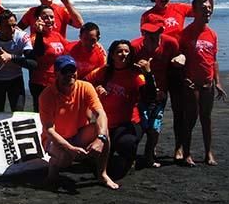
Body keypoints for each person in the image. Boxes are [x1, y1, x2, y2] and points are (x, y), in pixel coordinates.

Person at [140, 0, 217, 160]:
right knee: (154, 106)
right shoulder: (147, 16)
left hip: (178, 65)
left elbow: (204, 10)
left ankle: (179, 148)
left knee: (179, 109)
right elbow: (147, 41)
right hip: (158, 66)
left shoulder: (179, 8)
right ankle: (152, 145)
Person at [39, 55, 116, 190]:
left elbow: (100, 113)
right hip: (55, 138)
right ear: (56, 74)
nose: (70, 74)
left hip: (78, 134)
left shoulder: (86, 87)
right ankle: (52, 173)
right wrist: (70, 148)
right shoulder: (47, 95)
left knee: (104, 133)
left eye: (72, 70)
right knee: (64, 158)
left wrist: (100, 139)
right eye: (65, 71)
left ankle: (102, 174)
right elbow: (49, 130)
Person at [86, 40, 156, 178]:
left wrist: (148, 73)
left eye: (126, 51)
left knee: (125, 144)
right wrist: (96, 89)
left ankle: (130, 158)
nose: (123, 54)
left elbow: (150, 96)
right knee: (93, 158)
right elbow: (84, 83)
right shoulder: (104, 71)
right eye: (119, 51)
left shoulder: (135, 75)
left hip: (128, 123)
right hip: (106, 123)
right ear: (112, 55)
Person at [179, 0, 226, 166]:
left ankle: (208, 153)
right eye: (204, 8)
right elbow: (180, 58)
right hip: (191, 84)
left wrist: (217, 82)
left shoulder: (212, 34)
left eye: (209, 8)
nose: (208, 11)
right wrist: (184, 78)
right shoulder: (186, 33)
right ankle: (187, 153)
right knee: (190, 119)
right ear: (195, 11)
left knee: (206, 119)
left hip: (207, 83)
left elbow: (214, 60)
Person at [131, 22, 181, 168]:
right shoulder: (135, 46)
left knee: (154, 128)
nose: (150, 36)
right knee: (139, 127)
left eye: (154, 33)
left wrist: (180, 60)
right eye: (147, 33)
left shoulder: (170, 43)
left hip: (160, 94)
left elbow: (175, 64)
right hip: (140, 94)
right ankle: (131, 157)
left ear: (161, 31)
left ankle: (149, 156)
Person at [0, 10, 35, 112]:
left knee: (18, 113)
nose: (12, 29)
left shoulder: (22, 37)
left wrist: (11, 57)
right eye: (7, 26)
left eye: (14, 25)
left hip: (16, 80)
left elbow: (32, 63)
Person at [28, 4, 72, 111]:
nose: (49, 20)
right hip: (41, 84)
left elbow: (70, 49)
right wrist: (39, 32)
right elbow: (38, 53)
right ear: (37, 19)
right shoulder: (33, 38)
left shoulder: (56, 35)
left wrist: (87, 42)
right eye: (45, 17)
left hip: (58, 82)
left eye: (51, 17)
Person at [18, 0, 84, 38]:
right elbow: (17, 29)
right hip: (38, 46)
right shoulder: (32, 12)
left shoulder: (62, 10)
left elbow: (79, 24)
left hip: (58, 46)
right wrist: (27, 40)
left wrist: (67, 3)